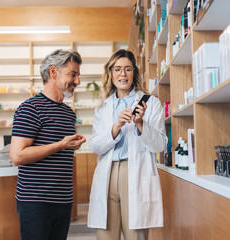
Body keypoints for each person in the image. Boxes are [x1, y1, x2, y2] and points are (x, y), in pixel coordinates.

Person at [87, 49, 167, 240]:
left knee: (135, 236)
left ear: (134, 73)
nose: (122, 74)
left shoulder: (151, 103)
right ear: (111, 73)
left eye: (128, 69)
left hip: (135, 172)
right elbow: (95, 146)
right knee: (105, 235)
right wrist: (115, 128)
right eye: (117, 69)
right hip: (108, 173)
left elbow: (160, 145)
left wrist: (140, 124)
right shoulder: (103, 107)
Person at [10, 49, 86, 240]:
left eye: (78, 75)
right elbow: (17, 156)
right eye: (72, 74)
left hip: (63, 201)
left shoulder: (69, 114)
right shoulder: (30, 108)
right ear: (53, 72)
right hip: (35, 203)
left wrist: (70, 145)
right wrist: (60, 145)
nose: (77, 81)